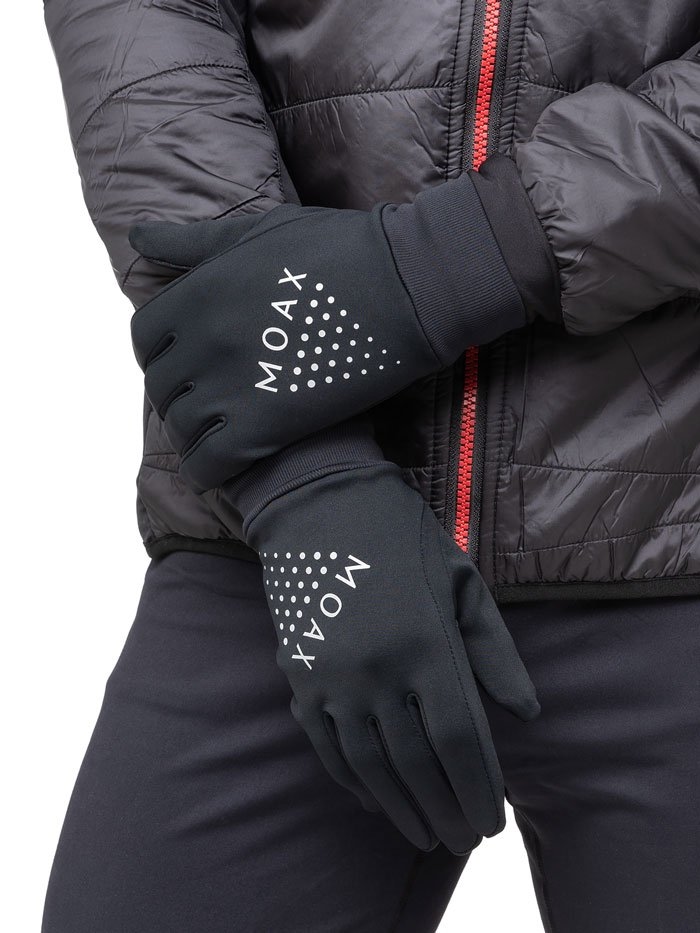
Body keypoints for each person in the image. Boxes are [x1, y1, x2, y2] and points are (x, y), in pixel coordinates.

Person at [42, 2, 700, 931]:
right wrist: (304, 478)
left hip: (677, 540)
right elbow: (145, 28)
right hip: (276, 563)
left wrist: (452, 261)